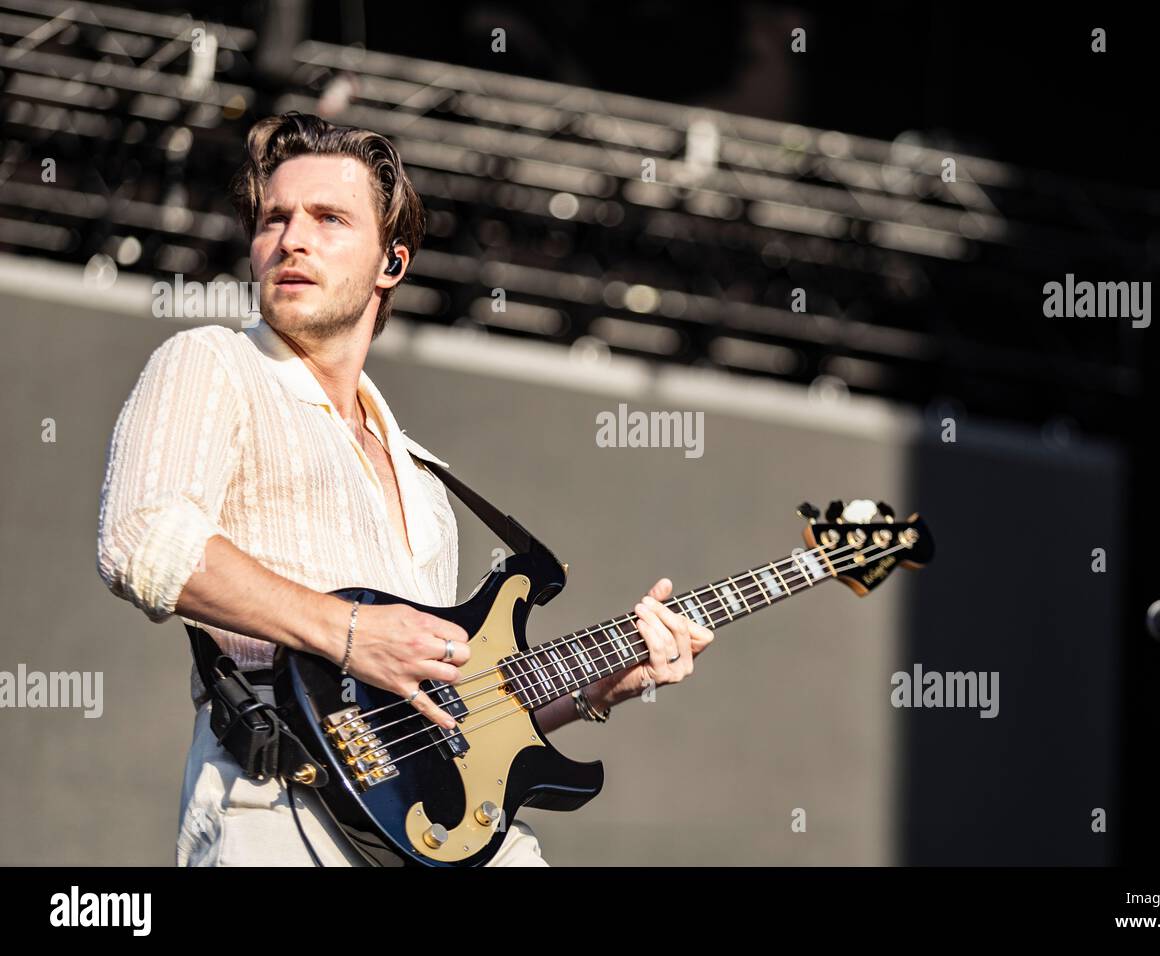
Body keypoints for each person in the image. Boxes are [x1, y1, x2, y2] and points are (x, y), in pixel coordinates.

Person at [96, 112, 715, 866]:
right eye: (274, 219)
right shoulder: (214, 363)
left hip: (433, 829)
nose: (292, 238)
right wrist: (348, 633)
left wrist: (599, 687)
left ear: (391, 263)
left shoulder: (422, 477)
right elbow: (142, 539)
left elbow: (448, 709)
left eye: (328, 219)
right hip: (279, 810)